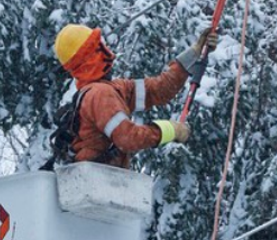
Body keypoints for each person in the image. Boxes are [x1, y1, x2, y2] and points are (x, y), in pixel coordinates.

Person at [48, 24, 218, 168]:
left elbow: (159, 89)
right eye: (99, 44)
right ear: (92, 54)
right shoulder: (100, 95)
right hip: (99, 188)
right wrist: (171, 130)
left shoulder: (112, 90)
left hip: (100, 186)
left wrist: (194, 53)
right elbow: (128, 138)